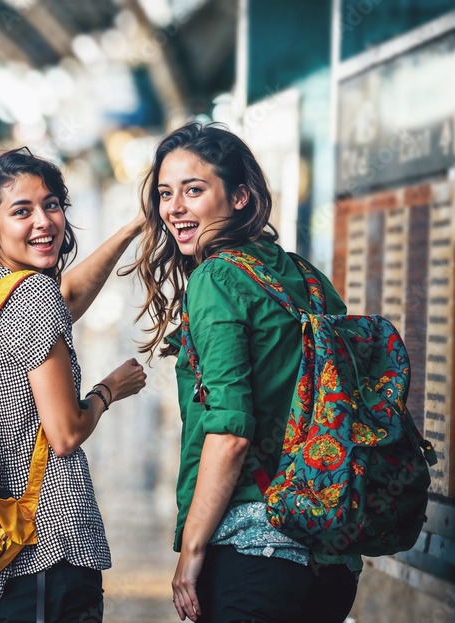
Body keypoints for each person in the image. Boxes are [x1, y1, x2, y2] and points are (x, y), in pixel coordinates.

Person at [123, 122, 359, 623]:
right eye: (166, 194)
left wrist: (191, 552)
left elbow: (229, 433)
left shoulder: (217, 277)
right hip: (331, 554)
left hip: (254, 551)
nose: (175, 208)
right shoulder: (305, 277)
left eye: (194, 190)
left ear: (240, 197)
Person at [0, 147, 147, 622]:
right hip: (45, 542)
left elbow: (64, 300)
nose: (44, 220)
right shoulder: (33, 297)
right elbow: (65, 434)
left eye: (52, 204)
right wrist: (108, 390)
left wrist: (130, 229)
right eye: (22, 210)